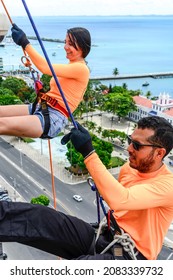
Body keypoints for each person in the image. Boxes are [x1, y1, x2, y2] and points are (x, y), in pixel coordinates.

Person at [0, 116, 173, 260]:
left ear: (159, 153)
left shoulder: (168, 185)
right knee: (38, 216)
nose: (128, 148)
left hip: (130, 257)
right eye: (130, 141)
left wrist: (89, 152)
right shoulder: (129, 169)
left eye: (137, 145)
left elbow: (121, 200)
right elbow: (119, 202)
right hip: (107, 235)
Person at [0, 24, 91, 138]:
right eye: (65, 42)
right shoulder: (72, 66)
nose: (65, 46)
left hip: (53, 117)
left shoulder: (82, 69)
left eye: (71, 44)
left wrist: (25, 43)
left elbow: (45, 67)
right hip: (42, 106)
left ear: (82, 47)